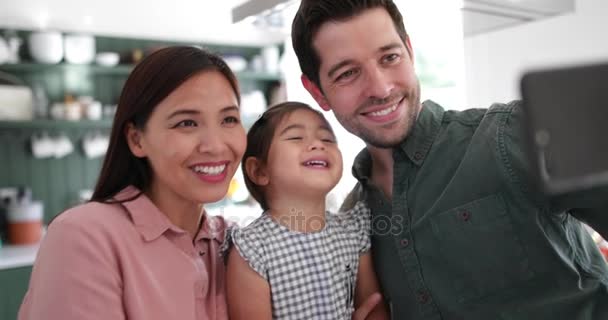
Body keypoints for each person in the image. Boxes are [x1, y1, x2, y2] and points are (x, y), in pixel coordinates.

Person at [291, 0, 608, 319]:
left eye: (390, 57)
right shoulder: (352, 222)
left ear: (410, 51)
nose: (381, 88)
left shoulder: (514, 134)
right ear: (317, 92)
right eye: (347, 73)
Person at [18, 46, 246, 320]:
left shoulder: (237, 245)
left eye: (229, 119)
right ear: (137, 139)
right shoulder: (84, 236)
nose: (215, 145)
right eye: (186, 123)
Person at [224, 102, 389, 320]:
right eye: (296, 138)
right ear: (260, 170)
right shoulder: (252, 249)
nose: (318, 144)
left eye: (328, 139)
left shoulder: (353, 231)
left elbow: (373, 307)